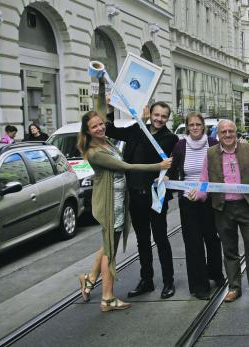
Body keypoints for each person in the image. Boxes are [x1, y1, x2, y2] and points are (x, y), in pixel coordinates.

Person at [76, 111, 171, 312]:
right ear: (87, 131)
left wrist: (140, 118)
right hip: (110, 203)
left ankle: (91, 278)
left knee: (107, 245)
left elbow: (133, 134)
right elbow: (126, 166)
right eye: (95, 126)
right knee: (110, 250)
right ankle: (107, 298)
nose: (100, 128)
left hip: (120, 200)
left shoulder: (106, 143)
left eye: (101, 124)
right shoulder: (94, 151)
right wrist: (159, 165)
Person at [105, 101, 179, 299]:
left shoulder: (170, 138)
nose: (159, 119)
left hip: (156, 196)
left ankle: (168, 281)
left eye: (164, 116)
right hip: (135, 195)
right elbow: (110, 131)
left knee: (161, 239)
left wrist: (170, 174)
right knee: (143, 241)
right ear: (150, 113)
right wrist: (110, 110)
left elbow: (170, 162)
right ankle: (146, 280)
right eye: (156, 115)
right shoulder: (138, 129)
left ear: (167, 118)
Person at [192, 119, 249, 303]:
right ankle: (234, 287)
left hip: (246, 206)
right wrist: (197, 195)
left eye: (230, 131)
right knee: (229, 250)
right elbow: (204, 181)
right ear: (218, 135)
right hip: (222, 208)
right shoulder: (210, 154)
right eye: (223, 131)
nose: (227, 134)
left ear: (236, 133)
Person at [166, 112, 225, 300]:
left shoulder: (213, 143)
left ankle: (215, 273)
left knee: (213, 240)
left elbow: (220, 170)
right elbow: (173, 168)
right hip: (188, 201)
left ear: (204, 126)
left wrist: (206, 191)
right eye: (191, 125)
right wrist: (167, 177)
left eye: (198, 124)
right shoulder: (181, 145)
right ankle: (199, 286)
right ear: (187, 127)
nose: (194, 128)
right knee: (193, 244)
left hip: (209, 200)